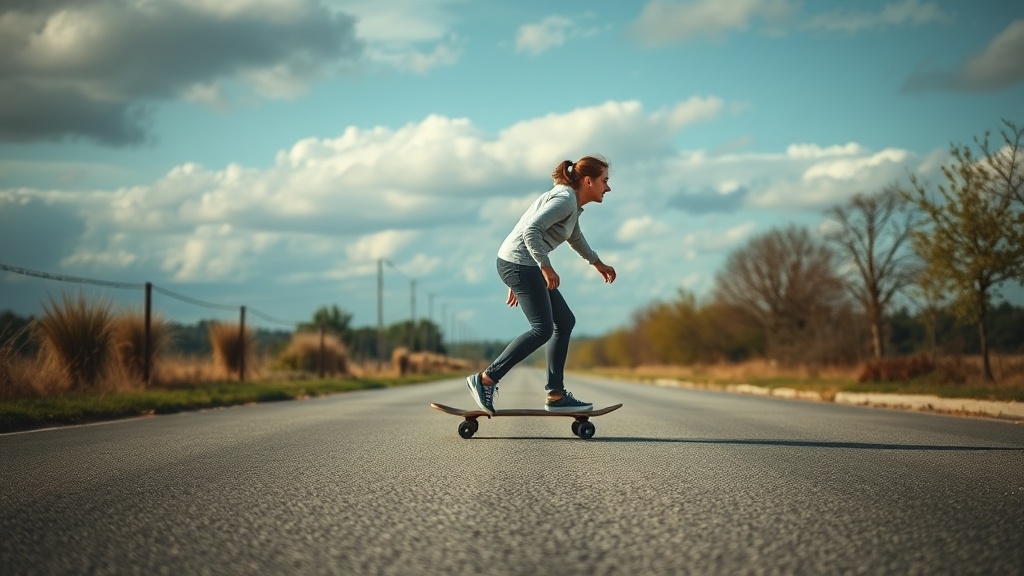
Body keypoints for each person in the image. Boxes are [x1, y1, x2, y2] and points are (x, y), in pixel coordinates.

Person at [466, 155, 617, 415]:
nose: (608, 188)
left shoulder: (570, 202)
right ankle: (486, 379)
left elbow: (574, 237)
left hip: (520, 263)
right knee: (542, 329)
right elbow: (531, 230)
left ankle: (556, 395)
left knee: (564, 321)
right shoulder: (564, 200)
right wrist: (544, 266)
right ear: (588, 181)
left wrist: (597, 263)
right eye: (605, 181)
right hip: (521, 264)